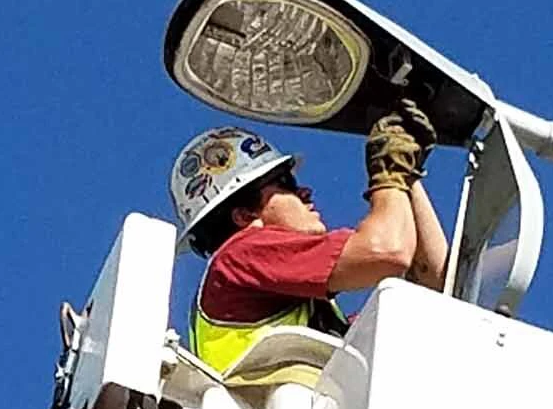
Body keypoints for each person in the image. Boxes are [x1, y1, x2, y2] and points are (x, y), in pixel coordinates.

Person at [169, 103, 448, 375]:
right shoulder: (240, 256)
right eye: (285, 183)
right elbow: (387, 252)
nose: (305, 191)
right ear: (244, 216)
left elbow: (433, 287)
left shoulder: (305, 311)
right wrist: (389, 174)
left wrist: (406, 174)